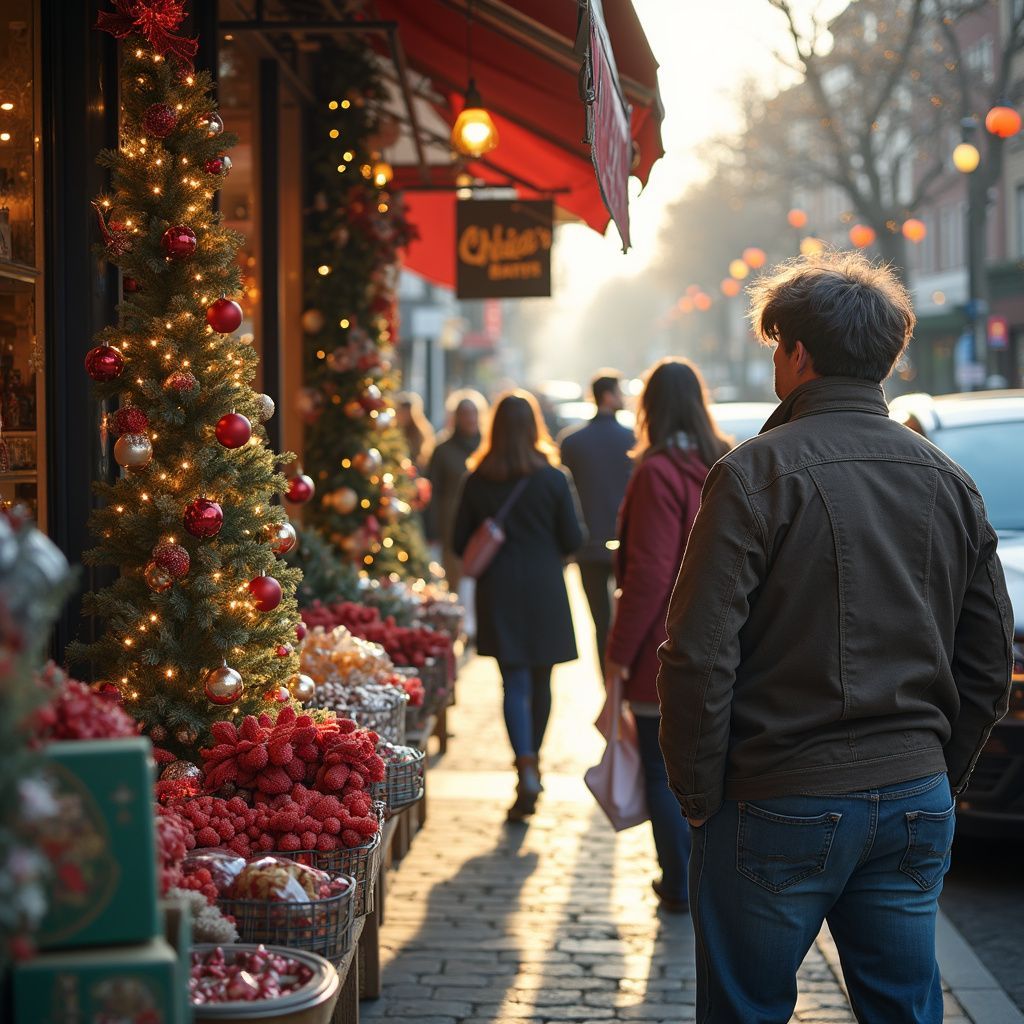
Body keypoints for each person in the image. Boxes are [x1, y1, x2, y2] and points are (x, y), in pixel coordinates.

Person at [657, 251, 1013, 1024]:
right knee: (903, 1012)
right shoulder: (949, 479)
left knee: (745, 1010)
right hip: (913, 794)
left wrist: (695, 788)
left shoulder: (753, 473)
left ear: (798, 354)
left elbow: (698, 654)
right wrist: (937, 775)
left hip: (777, 793)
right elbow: (988, 659)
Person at [605, 359, 731, 914]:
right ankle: (707, 877)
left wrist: (617, 656)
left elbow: (650, 576)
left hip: (664, 645)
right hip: (725, 641)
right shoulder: (724, 460)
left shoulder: (657, 473)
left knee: (661, 766)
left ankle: (679, 881)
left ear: (649, 408)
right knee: (711, 759)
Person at [453, 390, 584, 821]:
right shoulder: (552, 477)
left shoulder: (479, 478)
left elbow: (459, 541)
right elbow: (573, 540)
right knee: (543, 682)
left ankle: (523, 763)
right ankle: (535, 763)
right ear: (534, 427)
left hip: (500, 591)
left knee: (514, 684)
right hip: (545, 588)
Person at [559, 370, 634, 673]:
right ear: (607, 396)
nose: (623, 397)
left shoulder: (572, 442)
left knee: (599, 621)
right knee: (627, 619)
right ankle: (622, 681)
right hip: (626, 543)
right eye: (619, 392)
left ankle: (605, 682)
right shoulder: (633, 439)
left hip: (588, 543)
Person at [426, 389, 487, 592]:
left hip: (484, 526)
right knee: (457, 583)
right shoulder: (443, 450)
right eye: (464, 414)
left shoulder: (488, 446)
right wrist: (432, 529)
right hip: (452, 525)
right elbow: (433, 490)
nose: (469, 419)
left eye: (473, 413)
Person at [395, 392, 435, 471]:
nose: (404, 415)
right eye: (401, 412)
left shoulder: (421, 432)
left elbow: (425, 456)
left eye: (406, 412)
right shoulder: (394, 431)